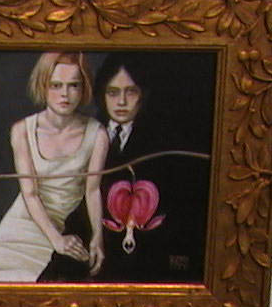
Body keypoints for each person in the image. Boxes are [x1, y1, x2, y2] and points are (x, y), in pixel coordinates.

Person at [0, 52, 109, 282]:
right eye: (56, 85)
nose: (64, 94)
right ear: (43, 85)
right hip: (22, 224)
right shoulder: (22, 130)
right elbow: (30, 194)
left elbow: (93, 190)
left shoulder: (97, 134)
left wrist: (98, 236)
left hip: (62, 224)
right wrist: (56, 240)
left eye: (73, 85)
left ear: (83, 88)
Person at [87, 54, 208, 282]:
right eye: (113, 92)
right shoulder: (89, 134)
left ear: (142, 95)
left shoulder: (160, 141)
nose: (121, 102)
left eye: (131, 92)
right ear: (102, 95)